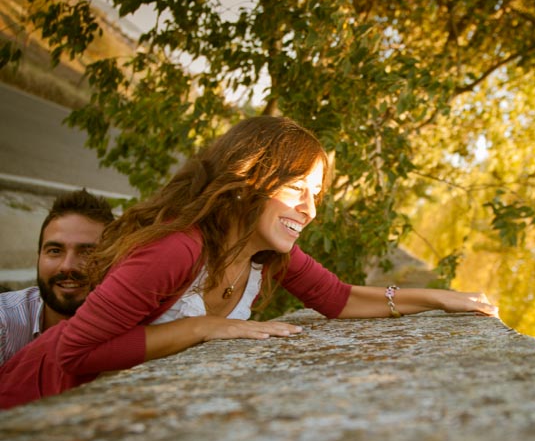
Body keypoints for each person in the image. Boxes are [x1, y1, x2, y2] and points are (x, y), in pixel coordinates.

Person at [0, 116, 497, 408]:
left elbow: (341, 300)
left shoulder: (266, 256)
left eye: (317, 194)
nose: (311, 209)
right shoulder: (177, 247)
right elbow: (74, 353)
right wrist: (203, 328)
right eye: (297, 190)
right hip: (37, 398)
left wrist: (443, 299)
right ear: (249, 179)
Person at [0, 188, 114, 366]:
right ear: (39, 256)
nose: (67, 266)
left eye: (88, 252)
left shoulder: (134, 332)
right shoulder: (4, 322)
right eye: (55, 251)